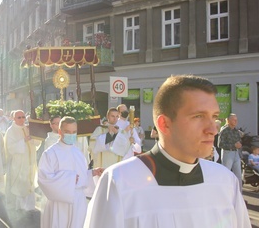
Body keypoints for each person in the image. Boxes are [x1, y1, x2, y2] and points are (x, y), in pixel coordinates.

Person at [84, 75, 251, 228]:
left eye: (214, 117)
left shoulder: (224, 182)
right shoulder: (120, 182)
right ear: (164, 124)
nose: (213, 129)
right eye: (198, 116)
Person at [38, 116, 103, 228]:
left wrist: (92, 173)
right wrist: (69, 179)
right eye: (67, 132)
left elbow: (81, 178)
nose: (71, 135)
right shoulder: (50, 153)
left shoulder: (78, 152)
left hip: (78, 201)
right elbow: (44, 179)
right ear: (59, 132)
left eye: (74, 132)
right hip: (59, 203)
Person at [4, 110, 39, 212]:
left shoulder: (28, 128)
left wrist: (34, 133)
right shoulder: (10, 131)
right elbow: (10, 148)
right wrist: (23, 140)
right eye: (19, 117)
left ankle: (30, 206)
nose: (22, 119)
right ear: (13, 119)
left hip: (30, 161)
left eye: (23, 117)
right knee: (19, 183)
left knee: (29, 181)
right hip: (18, 162)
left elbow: (36, 143)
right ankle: (20, 207)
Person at [218, 113, 243, 189]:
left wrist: (239, 145)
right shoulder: (224, 130)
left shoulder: (236, 131)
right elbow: (220, 144)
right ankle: (225, 194)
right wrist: (233, 145)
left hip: (236, 153)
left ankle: (239, 196)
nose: (235, 121)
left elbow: (238, 142)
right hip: (227, 153)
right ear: (228, 121)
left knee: (238, 175)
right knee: (226, 174)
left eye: (236, 120)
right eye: (233, 120)